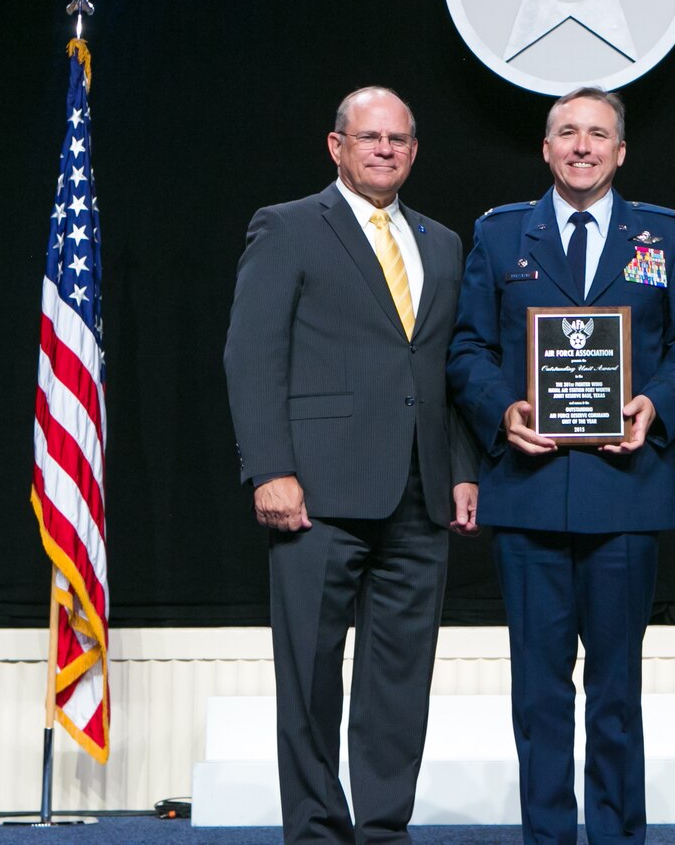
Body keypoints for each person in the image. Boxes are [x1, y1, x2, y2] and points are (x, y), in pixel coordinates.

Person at [448, 87, 675, 845]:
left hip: (626, 495)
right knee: (537, 693)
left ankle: (619, 835)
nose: (583, 145)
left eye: (598, 133)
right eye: (567, 132)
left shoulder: (665, 235)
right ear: (546, 148)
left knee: (616, 692)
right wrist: (504, 410)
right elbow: (467, 349)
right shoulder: (501, 236)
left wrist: (655, 404)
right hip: (528, 497)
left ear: (621, 151)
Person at [223, 87, 480, 845]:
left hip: (419, 490)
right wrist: (269, 466)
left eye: (399, 139)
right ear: (336, 146)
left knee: (399, 680)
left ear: (413, 150)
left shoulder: (443, 241)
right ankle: (314, 830)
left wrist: (463, 467)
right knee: (308, 675)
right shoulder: (290, 226)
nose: (385, 149)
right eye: (369, 137)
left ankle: (382, 828)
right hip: (316, 490)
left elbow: (447, 369)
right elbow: (251, 353)